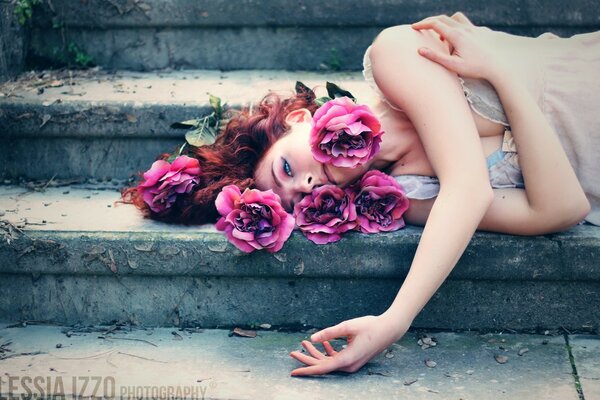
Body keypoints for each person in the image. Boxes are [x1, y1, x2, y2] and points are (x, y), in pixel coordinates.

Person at [124, 13, 599, 376]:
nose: (304, 186)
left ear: (297, 120)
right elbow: (562, 208)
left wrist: (394, 321)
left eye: (286, 167)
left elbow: (470, 188)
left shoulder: (394, 56)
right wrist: (506, 80)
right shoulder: (402, 198)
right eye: (292, 201)